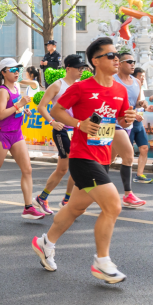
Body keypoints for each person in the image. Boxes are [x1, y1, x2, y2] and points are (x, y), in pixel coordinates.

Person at [30, 37, 137, 283]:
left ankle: (46, 243)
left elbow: (120, 120)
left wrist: (129, 118)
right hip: (82, 157)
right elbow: (56, 110)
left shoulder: (120, 90)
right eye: (110, 55)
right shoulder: (81, 88)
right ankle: (102, 262)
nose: (117, 59)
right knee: (113, 206)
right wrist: (79, 124)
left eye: (117, 55)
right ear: (96, 61)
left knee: (75, 208)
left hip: (103, 158)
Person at [0, 58, 45, 219]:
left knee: (27, 169)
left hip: (16, 133)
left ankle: (28, 207)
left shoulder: (16, 87)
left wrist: (24, 110)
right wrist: (19, 105)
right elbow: (1, 114)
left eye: (18, 70)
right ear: (3, 72)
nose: (16, 72)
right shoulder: (2, 91)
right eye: (13, 70)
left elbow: (14, 108)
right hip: (3, 134)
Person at [34, 54, 86, 212]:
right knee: (67, 168)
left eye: (83, 68)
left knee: (73, 168)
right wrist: (52, 122)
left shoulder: (80, 85)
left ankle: (61, 199)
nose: (81, 71)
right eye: (78, 68)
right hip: (62, 130)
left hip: (77, 130)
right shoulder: (57, 85)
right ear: (68, 68)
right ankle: (50, 199)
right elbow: (41, 106)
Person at [114, 52, 153, 195]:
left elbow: (135, 103)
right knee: (126, 156)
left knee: (119, 157)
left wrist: (142, 104)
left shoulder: (137, 82)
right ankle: (127, 193)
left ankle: (127, 191)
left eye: (134, 62)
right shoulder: (112, 80)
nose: (132, 65)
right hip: (114, 123)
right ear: (120, 63)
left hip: (130, 123)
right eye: (129, 62)